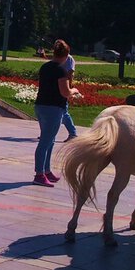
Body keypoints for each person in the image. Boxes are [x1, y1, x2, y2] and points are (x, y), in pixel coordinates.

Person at [32, 39, 82, 187]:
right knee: (45, 141)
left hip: (41, 106)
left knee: (50, 140)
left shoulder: (45, 67)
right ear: (66, 55)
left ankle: (46, 170)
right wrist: (75, 90)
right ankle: (39, 174)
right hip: (53, 108)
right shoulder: (61, 70)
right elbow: (65, 92)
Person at [59, 51, 78, 141]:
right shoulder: (58, 57)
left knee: (63, 111)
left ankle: (73, 133)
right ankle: (47, 132)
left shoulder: (69, 58)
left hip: (64, 86)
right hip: (57, 86)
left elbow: (70, 73)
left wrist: (69, 88)